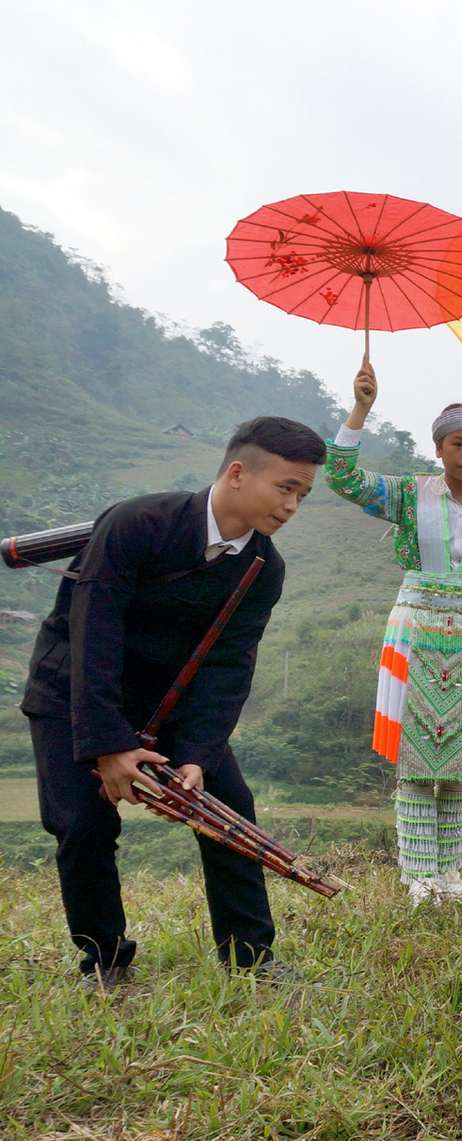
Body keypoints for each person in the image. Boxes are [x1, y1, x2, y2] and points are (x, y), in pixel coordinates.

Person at [22, 417, 325, 987]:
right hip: (74, 690)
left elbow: (230, 665)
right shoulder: (139, 523)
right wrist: (109, 745)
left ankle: (251, 958)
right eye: (285, 487)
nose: (292, 506)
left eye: (303, 495)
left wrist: (197, 754)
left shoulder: (264, 568)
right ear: (238, 473)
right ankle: (104, 961)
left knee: (230, 812)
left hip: (171, 700)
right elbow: (94, 632)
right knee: (82, 824)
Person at [325, 360, 462, 907]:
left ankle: (449, 874)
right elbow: (342, 477)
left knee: (460, 766)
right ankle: (418, 876)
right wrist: (361, 409)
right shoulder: (408, 495)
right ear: (439, 448)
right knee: (418, 760)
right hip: (417, 631)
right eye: (460, 444)